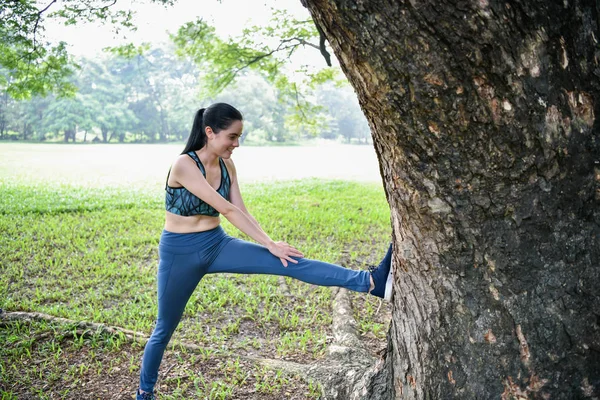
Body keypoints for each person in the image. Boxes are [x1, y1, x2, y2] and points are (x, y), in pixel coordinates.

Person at [136, 103, 393, 400]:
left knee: (289, 261)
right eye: (232, 137)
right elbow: (227, 208)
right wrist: (268, 243)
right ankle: (145, 393)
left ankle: (370, 282)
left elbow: (241, 209)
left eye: (239, 137)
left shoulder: (226, 165)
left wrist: (272, 245)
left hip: (217, 244)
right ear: (210, 132)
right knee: (164, 328)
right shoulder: (184, 164)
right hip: (179, 252)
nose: (237, 144)